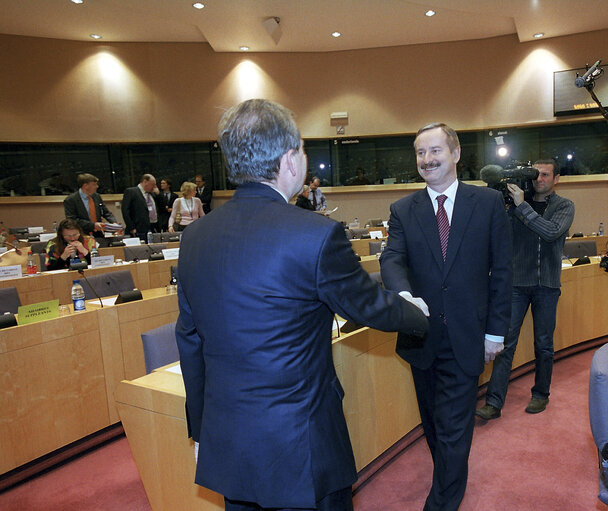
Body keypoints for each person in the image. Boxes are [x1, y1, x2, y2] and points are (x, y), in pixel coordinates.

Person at [175, 98, 429, 511]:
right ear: (290, 158)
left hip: (229, 442)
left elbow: (189, 341)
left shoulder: (195, 237)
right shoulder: (316, 235)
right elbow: (369, 307)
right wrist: (419, 314)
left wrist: (201, 432)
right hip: (301, 447)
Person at [379, 122, 512, 511]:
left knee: (455, 429)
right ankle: (449, 479)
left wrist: (495, 332)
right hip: (422, 337)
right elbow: (392, 258)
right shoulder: (403, 209)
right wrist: (402, 295)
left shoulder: (486, 203)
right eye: (420, 153)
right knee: (435, 427)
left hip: (469, 336)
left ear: (455, 154)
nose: (427, 159)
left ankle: (441, 503)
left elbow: (502, 271)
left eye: (434, 151)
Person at [476, 159, 574, 420]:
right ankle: (494, 402)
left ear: (556, 179)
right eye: (536, 174)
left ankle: (541, 394)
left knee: (543, 345)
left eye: (545, 175)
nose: (539, 179)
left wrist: (522, 206)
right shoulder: (514, 202)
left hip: (547, 285)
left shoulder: (564, 206)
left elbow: (551, 232)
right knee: (504, 343)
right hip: (517, 284)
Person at [121, 174, 159, 241]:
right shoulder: (131, 192)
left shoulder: (152, 194)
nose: (154, 187)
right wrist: (131, 227)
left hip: (152, 227)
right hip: (138, 228)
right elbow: (125, 211)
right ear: (145, 182)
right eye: (152, 184)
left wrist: (158, 194)